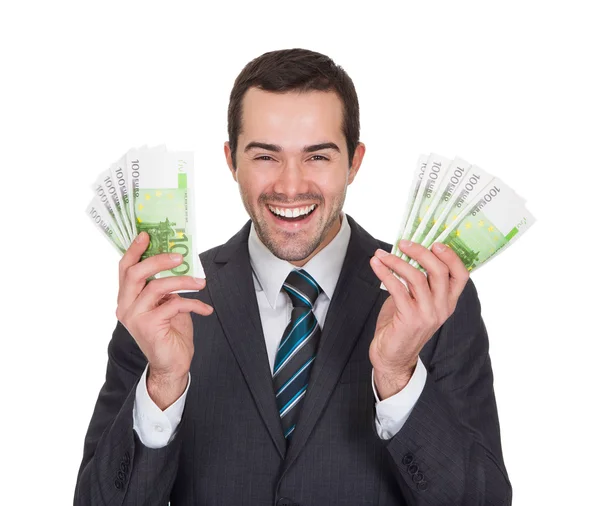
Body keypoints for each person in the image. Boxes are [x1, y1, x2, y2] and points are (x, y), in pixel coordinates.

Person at [74, 48, 512, 506]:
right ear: (231, 160)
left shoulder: (431, 298)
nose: (290, 185)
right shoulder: (164, 301)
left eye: (318, 157)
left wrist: (399, 377)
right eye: (266, 156)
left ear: (354, 162)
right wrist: (163, 382)